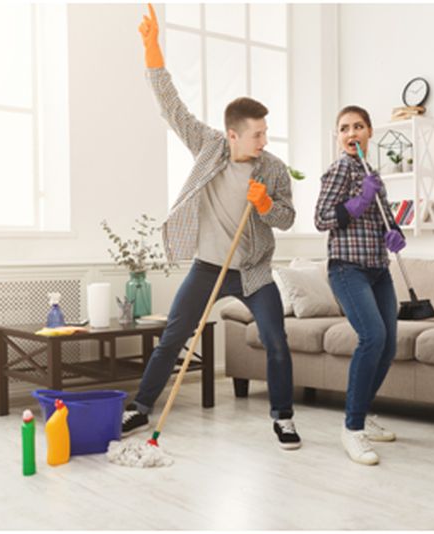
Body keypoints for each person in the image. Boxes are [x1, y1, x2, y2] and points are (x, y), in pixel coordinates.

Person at [122, 3, 301, 450]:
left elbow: (288, 217)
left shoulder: (273, 168)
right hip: (208, 266)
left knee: (276, 341)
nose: (264, 140)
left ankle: (283, 418)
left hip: (255, 272)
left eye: (266, 132)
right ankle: (140, 408)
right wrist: (152, 50)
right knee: (173, 338)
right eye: (257, 134)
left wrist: (265, 207)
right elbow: (172, 108)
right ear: (233, 135)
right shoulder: (209, 147)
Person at [314, 105, 406, 465]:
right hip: (346, 269)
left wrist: (395, 234)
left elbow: (384, 219)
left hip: (378, 268)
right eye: (343, 128)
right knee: (372, 337)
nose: (351, 133)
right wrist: (358, 201)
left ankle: (364, 412)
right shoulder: (338, 170)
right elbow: (322, 218)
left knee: (389, 344)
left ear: (370, 133)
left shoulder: (374, 174)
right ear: (339, 137)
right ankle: (352, 429)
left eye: (358, 126)